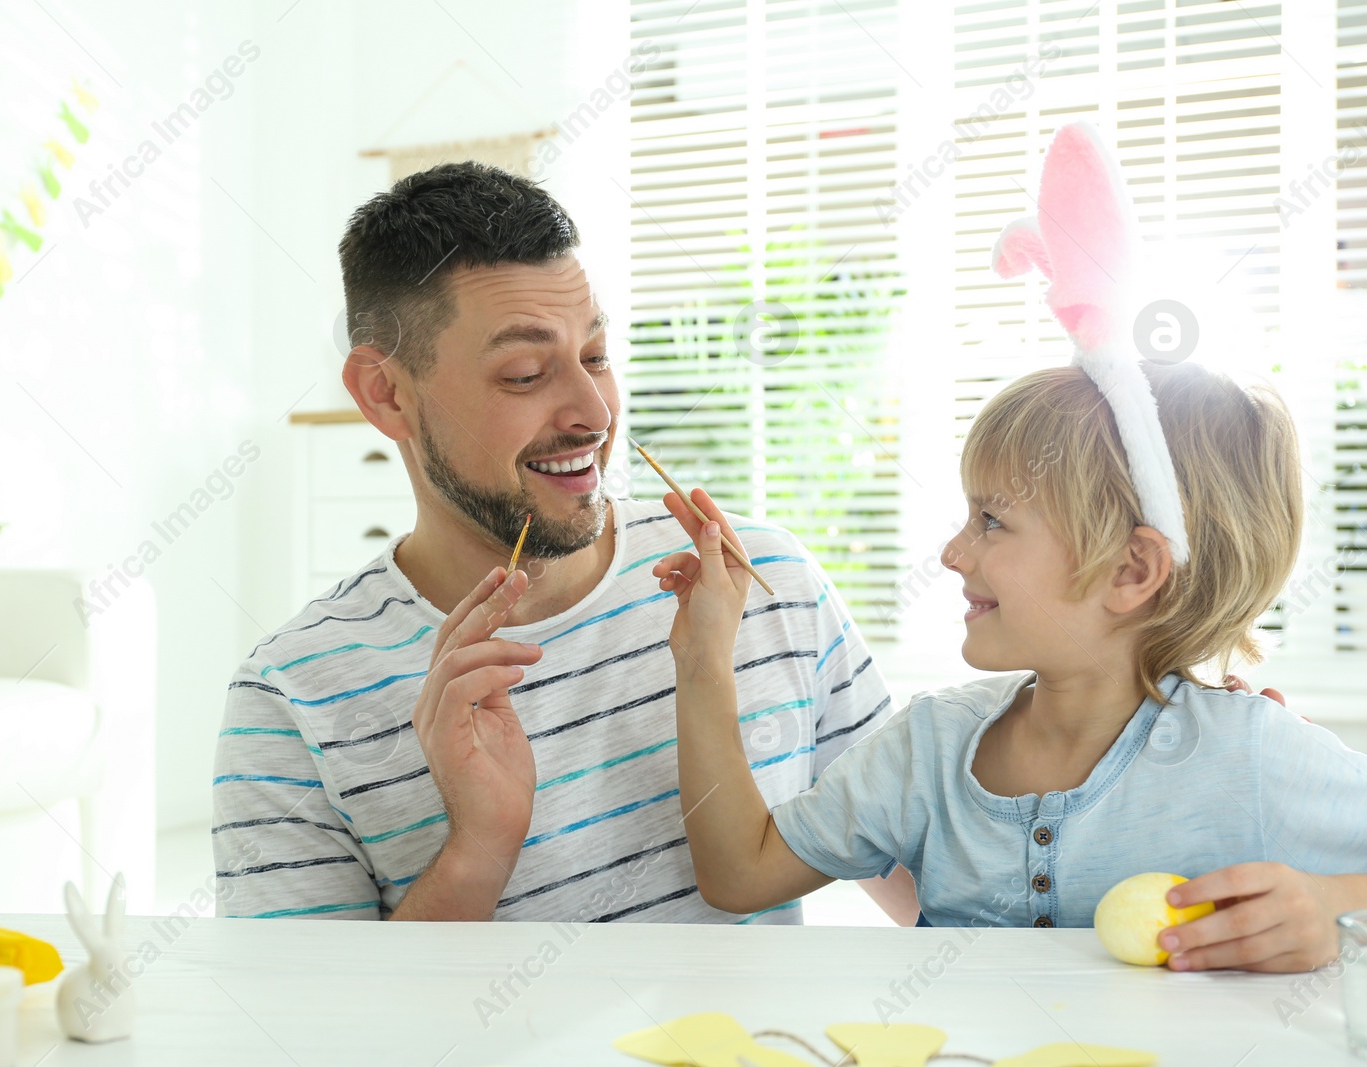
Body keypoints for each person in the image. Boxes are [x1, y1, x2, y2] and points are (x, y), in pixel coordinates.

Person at [658, 124, 1367, 972]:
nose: (953, 553)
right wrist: (705, 657)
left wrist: (1333, 906)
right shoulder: (928, 749)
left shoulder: (1252, 754)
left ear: (1132, 569)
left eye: (993, 521)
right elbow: (740, 871)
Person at [211, 162, 916, 923]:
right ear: (386, 394)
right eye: (524, 373)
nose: (593, 411)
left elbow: (935, 897)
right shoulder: (290, 698)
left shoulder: (761, 581)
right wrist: (478, 850)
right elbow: (317, 1036)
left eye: (597, 356)